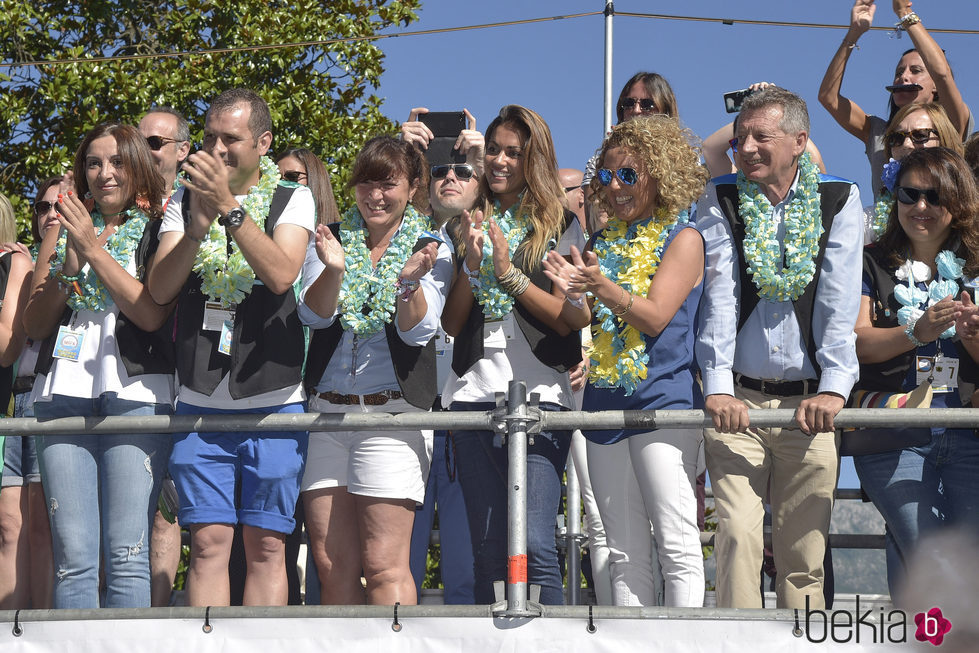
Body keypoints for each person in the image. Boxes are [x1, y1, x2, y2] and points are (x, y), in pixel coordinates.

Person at [695, 87, 863, 609]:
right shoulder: (720, 196)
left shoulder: (839, 198)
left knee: (803, 559)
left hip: (809, 407)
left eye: (760, 136)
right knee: (738, 539)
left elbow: (839, 303)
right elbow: (719, 301)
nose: (745, 147)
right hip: (737, 404)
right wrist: (719, 389)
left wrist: (835, 390)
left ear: (799, 142)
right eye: (741, 135)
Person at [147, 88, 315, 607]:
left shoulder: (293, 197)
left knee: (266, 545)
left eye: (232, 139)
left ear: (262, 143)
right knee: (207, 544)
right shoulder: (182, 198)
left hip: (275, 400)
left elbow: (282, 273)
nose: (217, 149)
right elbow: (158, 289)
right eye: (210, 137)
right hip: (200, 402)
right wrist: (197, 227)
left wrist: (231, 209)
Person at [546, 115, 709, 607]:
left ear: (660, 175)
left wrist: (599, 286)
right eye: (607, 176)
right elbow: (584, 322)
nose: (614, 187)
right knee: (620, 553)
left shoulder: (685, 239)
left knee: (677, 547)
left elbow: (656, 316)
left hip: (663, 405)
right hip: (603, 406)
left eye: (629, 176)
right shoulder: (599, 244)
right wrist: (573, 294)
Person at [441, 104, 589, 605]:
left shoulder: (560, 223)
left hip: (541, 399)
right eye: (495, 152)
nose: (500, 162)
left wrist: (510, 275)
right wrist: (474, 266)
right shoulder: (466, 221)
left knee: (534, 545)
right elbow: (451, 322)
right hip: (473, 396)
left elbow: (574, 317)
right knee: (488, 550)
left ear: (534, 161)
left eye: (514, 153)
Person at [23, 122, 174, 609]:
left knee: (128, 554)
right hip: (61, 395)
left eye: (116, 162)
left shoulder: (161, 225)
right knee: (75, 558)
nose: (105, 173)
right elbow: (36, 323)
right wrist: (70, 265)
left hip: (137, 398)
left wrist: (93, 249)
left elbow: (151, 313)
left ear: (137, 166)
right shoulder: (63, 226)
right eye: (93, 163)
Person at [298, 135, 451, 606]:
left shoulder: (432, 246)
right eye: (366, 183)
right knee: (330, 566)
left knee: (384, 565)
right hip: (327, 417)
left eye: (388, 183)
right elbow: (314, 315)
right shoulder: (329, 238)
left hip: (391, 419)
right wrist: (335, 271)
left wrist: (408, 284)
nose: (375, 195)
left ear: (413, 187)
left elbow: (416, 332)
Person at [853, 147, 979, 595]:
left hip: (968, 436)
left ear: (957, 202)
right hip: (894, 434)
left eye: (934, 196)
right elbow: (854, 343)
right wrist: (915, 332)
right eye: (910, 194)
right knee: (932, 557)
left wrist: (973, 341)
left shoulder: (976, 267)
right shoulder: (869, 261)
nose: (920, 207)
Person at [400, 107, 483, 604]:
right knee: (396, 561)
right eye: (438, 170)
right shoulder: (404, 230)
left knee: (466, 570)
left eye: (463, 170)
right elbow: (377, 197)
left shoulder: (499, 228)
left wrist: (485, 162)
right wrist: (400, 149)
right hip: (406, 410)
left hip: (465, 415)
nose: (450, 176)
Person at [818, 0, 973, 194]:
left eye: (915, 71)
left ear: (935, 86)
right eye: (899, 72)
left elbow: (942, 74)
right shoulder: (877, 132)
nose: (903, 77)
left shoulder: (950, 124)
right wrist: (854, 33)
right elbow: (828, 97)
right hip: (884, 224)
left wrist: (904, 13)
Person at [138, 104, 191, 608]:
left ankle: (156, 612)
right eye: (140, 140)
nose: (145, 149)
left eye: (155, 142)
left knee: (169, 508)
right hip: (131, 372)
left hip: (192, 373)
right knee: (139, 506)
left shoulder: (198, 204)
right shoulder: (116, 206)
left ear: (183, 151)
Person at [0, 192, 35, 609]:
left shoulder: (12, 265)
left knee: (10, 526)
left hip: (6, 410)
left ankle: (10, 631)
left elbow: (8, 349)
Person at [866, 102, 963, 243]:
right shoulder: (868, 222)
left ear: (944, 140)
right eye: (897, 137)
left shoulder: (969, 212)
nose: (906, 144)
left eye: (920, 135)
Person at [583, 72, 678, 188]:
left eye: (647, 104)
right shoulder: (598, 162)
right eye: (629, 103)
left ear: (664, 111)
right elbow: (593, 204)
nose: (636, 110)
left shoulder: (681, 160)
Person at [275, 147, 340, 226]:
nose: (282, 184)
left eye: (292, 176)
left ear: (314, 179)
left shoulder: (341, 235)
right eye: (276, 178)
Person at [138, 106, 191, 196]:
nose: (143, 150)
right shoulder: (116, 202)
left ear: (182, 150)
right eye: (138, 142)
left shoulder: (201, 203)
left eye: (154, 142)